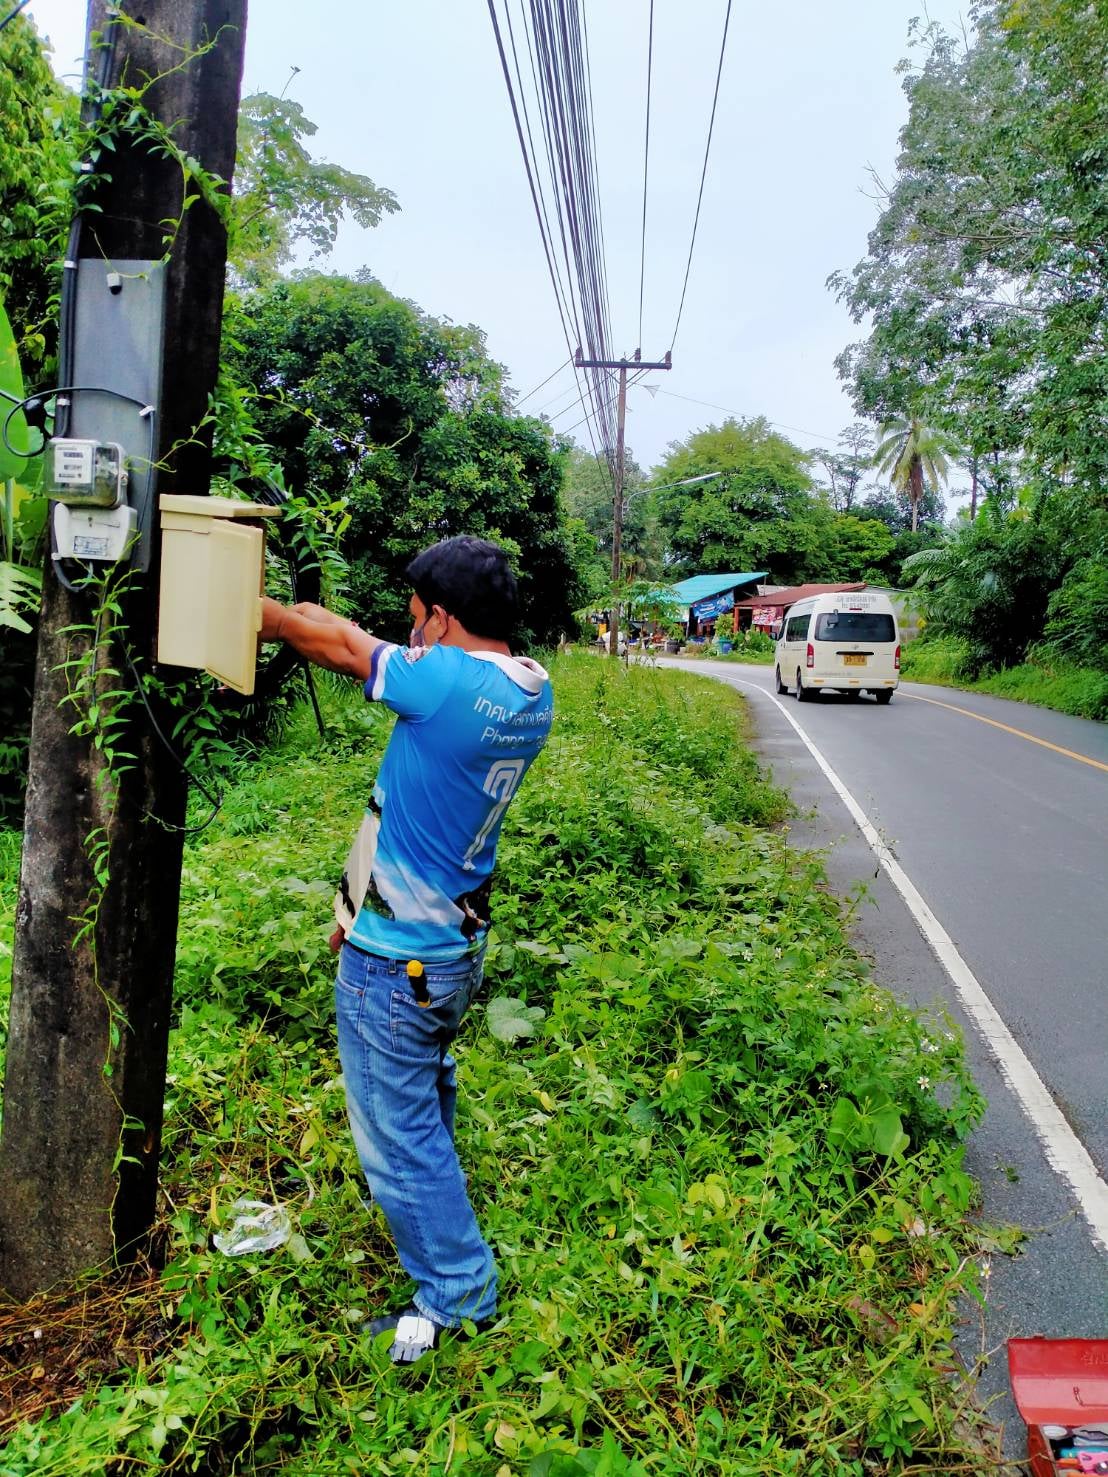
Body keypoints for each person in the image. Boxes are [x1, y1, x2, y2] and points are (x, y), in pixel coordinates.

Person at [259, 536, 553, 1363]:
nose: (406, 627)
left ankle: (458, 1294)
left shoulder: (442, 683)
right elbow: (351, 632)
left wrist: (255, 615)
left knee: (397, 1134)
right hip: (449, 950)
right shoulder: (531, 690)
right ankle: (443, 1208)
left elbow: (338, 644)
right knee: (423, 1093)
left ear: (443, 617)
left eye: (416, 614)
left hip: (397, 965)